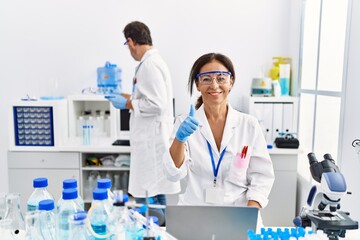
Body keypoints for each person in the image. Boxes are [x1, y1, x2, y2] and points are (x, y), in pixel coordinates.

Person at [163, 53, 275, 211]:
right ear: (197, 84)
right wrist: (180, 139)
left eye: (221, 78)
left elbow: (262, 176)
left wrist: (249, 214)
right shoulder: (184, 123)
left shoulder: (248, 125)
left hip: (239, 212)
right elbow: (173, 174)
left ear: (231, 81)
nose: (214, 85)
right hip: (196, 212)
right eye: (206, 79)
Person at [107, 21, 180, 216]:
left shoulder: (149, 65)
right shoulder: (152, 63)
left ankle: (152, 231)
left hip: (151, 143)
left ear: (130, 41)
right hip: (153, 140)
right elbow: (149, 99)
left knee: (148, 195)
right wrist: (126, 97)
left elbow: (157, 104)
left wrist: (128, 104)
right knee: (157, 193)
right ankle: (159, 228)